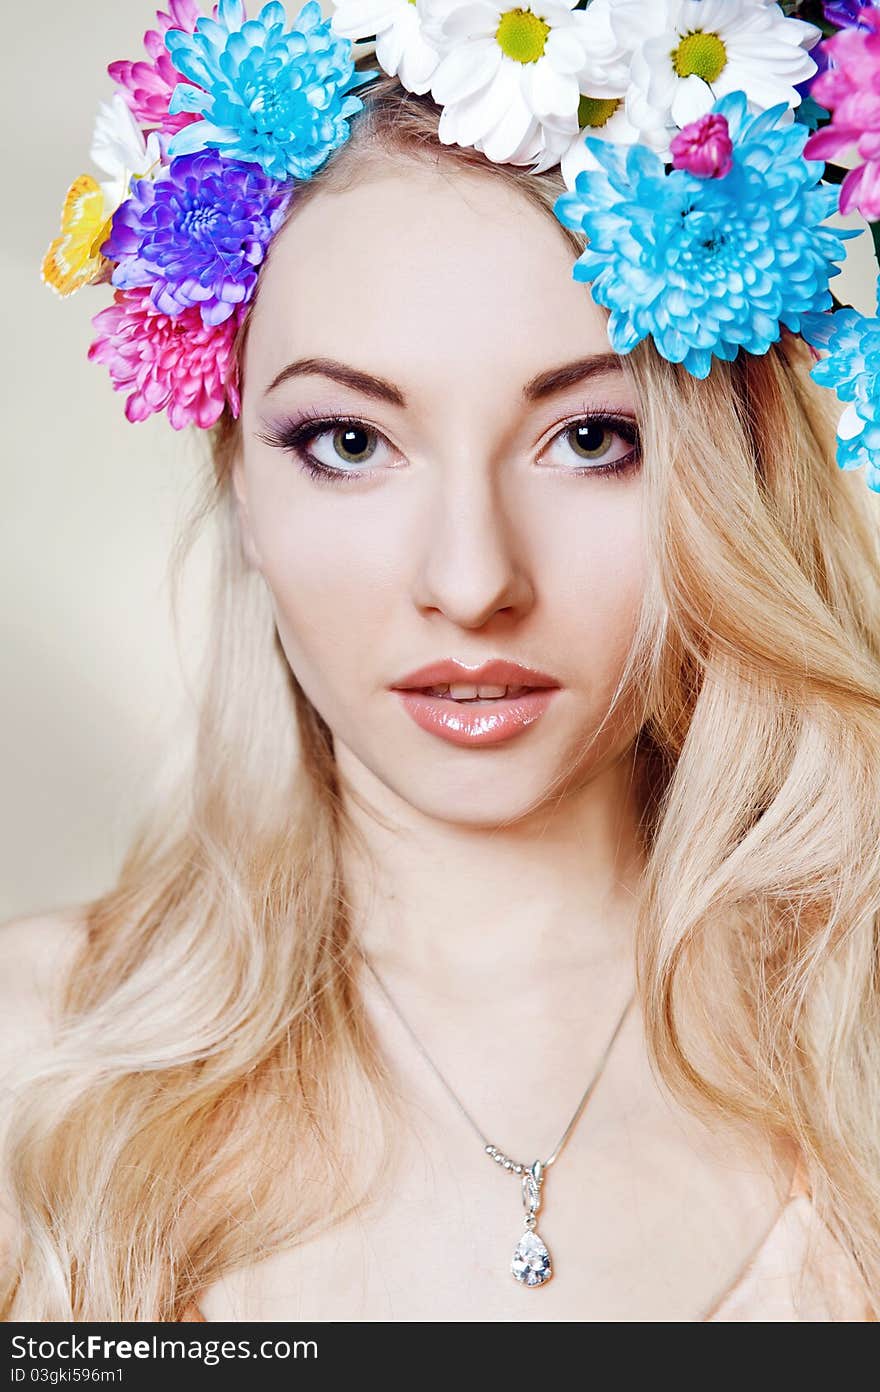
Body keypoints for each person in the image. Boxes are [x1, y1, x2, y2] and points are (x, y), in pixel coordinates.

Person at [2, 1, 879, 1322]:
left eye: (592, 438)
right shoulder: (33, 1067)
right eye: (350, 442)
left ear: (730, 479)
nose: (470, 583)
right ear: (241, 477)